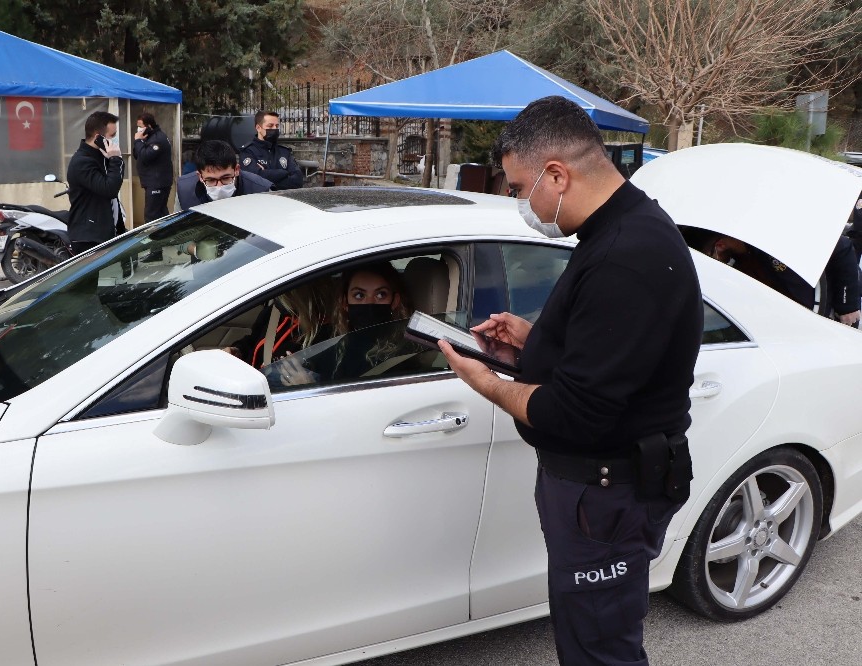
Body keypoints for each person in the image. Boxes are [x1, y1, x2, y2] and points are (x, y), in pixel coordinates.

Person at [438, 96, 703, 666]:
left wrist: (484, 381)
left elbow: (576, 412)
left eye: (517, 187)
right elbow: (613, 354)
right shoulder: (621, 229)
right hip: (598, 491)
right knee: (588, 634)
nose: (517, 202)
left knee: (598, 649)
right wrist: (534, 342)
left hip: (607, 493)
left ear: (556, 174)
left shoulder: (625, 254)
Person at [266, 262, 416, 387]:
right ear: (345, 303)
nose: (369, 303)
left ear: (394, 301)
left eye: (380, 295)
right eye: (359, 295)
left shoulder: (402, 357)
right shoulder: (335, 340)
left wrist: (310, 388)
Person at [695, 230, 861, 326]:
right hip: (800, 322)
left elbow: (841, 248)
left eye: (712, 257)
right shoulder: (743, 259)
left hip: (833, 313)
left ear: (720, 246)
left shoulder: (773, 235)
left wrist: (847, 305)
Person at [224, 278, 336, 369]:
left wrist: (307, 383)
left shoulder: (329, 332)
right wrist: (238, 350)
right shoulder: (275, 313)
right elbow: (253, 341)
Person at [66, 111, 125, 255]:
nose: (115, 141)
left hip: (105, 232)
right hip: (89, 236)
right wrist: (115, 159)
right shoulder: (82, 162)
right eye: (112, 136)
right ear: (98, 137)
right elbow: (109, 188)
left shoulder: (102, 156)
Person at [176, 140, 274, 209]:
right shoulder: (185, 191)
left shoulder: (261, 190)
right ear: (200, 176)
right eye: (211, 180)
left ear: (236, 170)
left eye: (226, 178)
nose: (219, 186)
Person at [238, 111, 303, 190]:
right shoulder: (248, 152)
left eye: (277, 126)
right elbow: (253, 181)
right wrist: (285, 173)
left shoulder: (284, 152)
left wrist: (266, 174)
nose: (275, 129)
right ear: (258, 128)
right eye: (270, 126)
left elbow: (298, 181)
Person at [133, 112, 174, 224]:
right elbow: (137, 155)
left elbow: (145, 156)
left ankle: (153, 238)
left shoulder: (158, 139)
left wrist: (137, 141)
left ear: (149, 126)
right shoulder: (148, 137)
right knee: (161, 213)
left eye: (140, 126)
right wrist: (140, 141)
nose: (138, 129)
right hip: (153, 181)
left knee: (152, 215)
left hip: (157, 183)